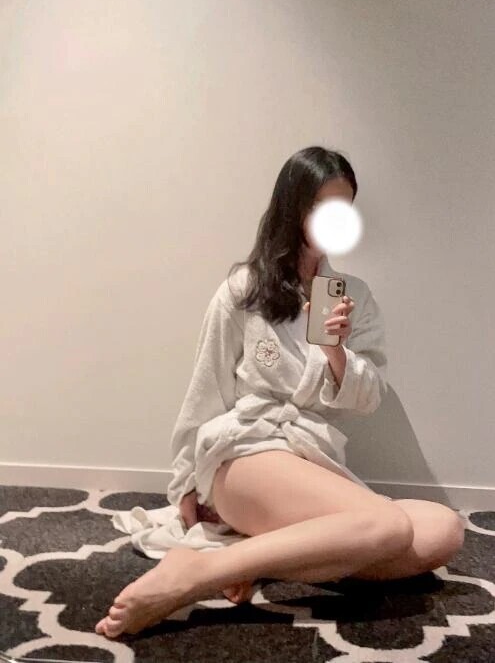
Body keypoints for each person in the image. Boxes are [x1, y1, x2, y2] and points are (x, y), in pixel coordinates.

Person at [96, 146, 465, 638]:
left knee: (442, 530)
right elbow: (205, 387)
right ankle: (198, 574)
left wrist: (335, 350)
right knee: (390, 528)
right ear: (292, 207)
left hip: (308, 459)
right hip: (247, 452)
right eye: (321, 205)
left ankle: (248, 557)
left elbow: (369, 398)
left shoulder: (353, 295)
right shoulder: (243, 289)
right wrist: (185, 484)